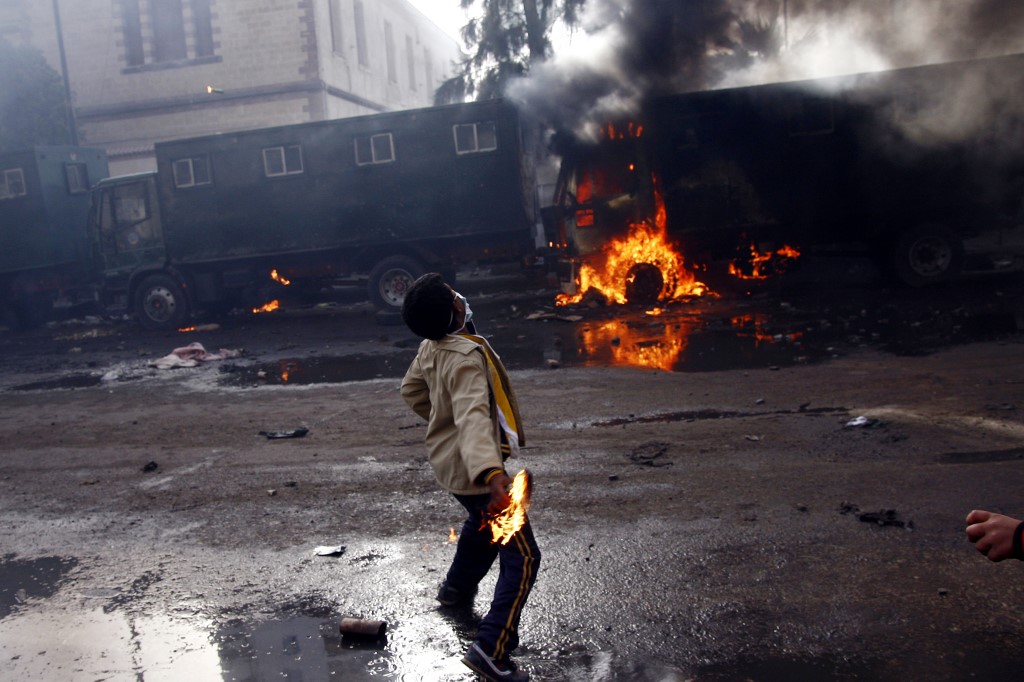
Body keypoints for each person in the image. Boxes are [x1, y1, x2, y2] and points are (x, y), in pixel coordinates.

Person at [399, 272, 540, 682]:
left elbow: (410, 391)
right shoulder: (464, 358)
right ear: (454, 310)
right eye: (452, 295)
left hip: (453, 467)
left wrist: (441, 423)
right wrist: (492, 472)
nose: (460, 296)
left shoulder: (431, 347)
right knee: (525, 556)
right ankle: (491, 649)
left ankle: (454, 590)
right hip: (476, 472)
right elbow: (474, 418)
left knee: (479, 527)